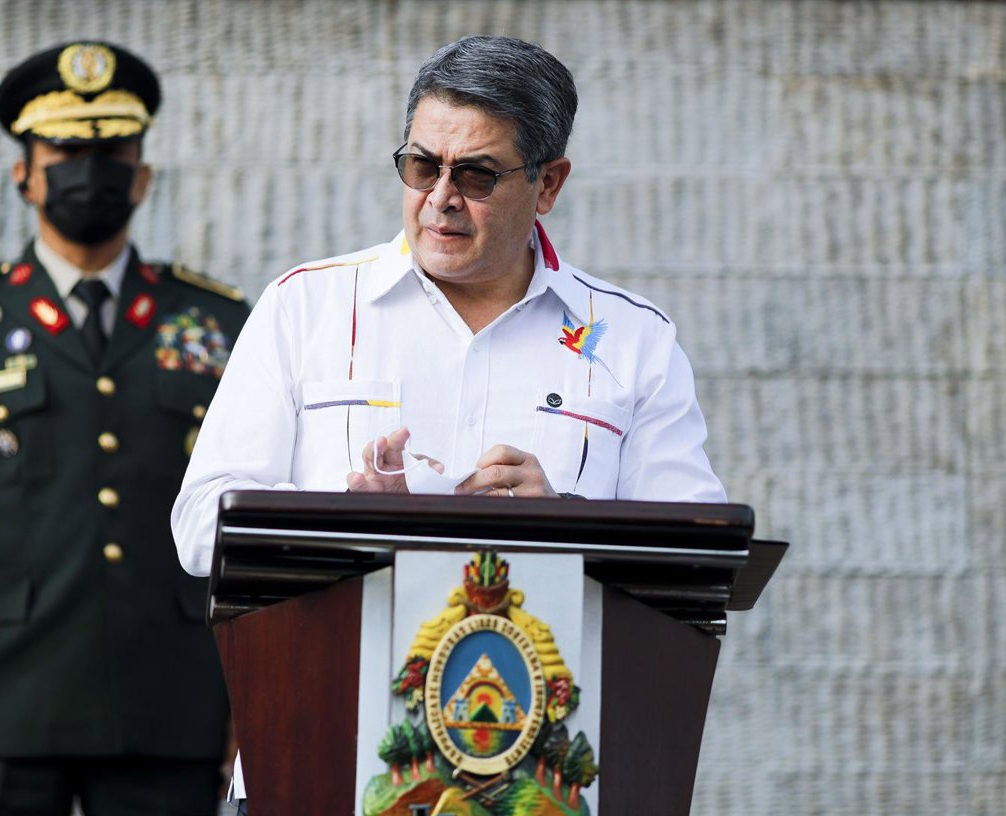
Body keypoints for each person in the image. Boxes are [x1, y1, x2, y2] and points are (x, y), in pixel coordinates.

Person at [172, 34, 726, 582]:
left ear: (548, 184)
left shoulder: (634, 338)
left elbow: (700, 555)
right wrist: (349, 519)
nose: (440, 198)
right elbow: (199, 526)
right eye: (422, 166)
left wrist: (563, 523)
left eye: (476, 175)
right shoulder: (304, 306)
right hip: (337, 638)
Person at [0, 41, 249, 815]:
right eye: (67, 153)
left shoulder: (215, 322)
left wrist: (254, 694)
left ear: (142, 176)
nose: (89, 171)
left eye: (112, 153)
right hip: (2, 701)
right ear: (25, 174)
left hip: (170, 702)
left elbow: (247, 524)